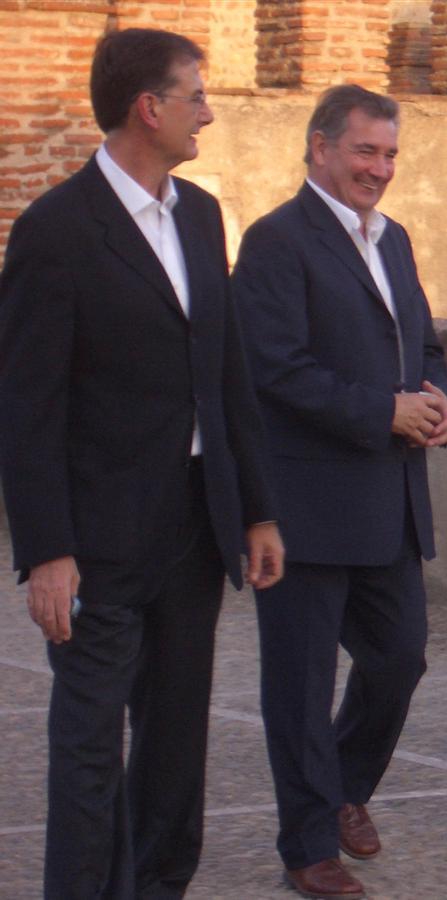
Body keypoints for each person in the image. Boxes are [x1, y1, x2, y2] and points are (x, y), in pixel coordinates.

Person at [0, 28, 283, 898]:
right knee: (89, 750)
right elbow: (27, 407)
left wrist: (256, 509)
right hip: (97, 538)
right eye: (196, 94)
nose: (208, 111)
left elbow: (226, 369)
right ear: (147, 108)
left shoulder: (199, 213)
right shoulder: (56, 229)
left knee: (174, 747)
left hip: (194, 527)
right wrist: (47, 549)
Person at [233, 85, 447, 899]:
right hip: (303, 507)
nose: (381, 169)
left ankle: (346, 786)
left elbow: (425, 345)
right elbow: (276, 371)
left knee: (400, 658)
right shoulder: (275, 242)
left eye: (390, 154)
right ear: (320, 147)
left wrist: (437, 401)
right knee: (298, 684)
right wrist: (382, 411)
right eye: (366, 151)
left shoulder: (392, 240)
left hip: (390, 499)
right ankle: (308, 844)